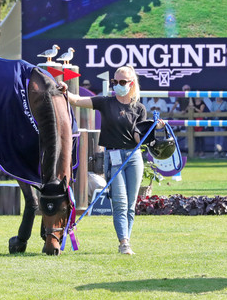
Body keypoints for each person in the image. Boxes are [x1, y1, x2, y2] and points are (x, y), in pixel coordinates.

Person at [59, 65, 164, 255]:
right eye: (115, 82)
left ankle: (127, 239)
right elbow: (77, 100)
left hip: (133, 158)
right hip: (112, 156)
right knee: (120, 202)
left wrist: (154, 129)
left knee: (131, 204)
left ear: (131, 84)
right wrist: (66, 91)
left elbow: (137, 138)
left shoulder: (139, 108)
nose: (118, 85)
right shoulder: (105, 102)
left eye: (122, 82)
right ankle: (124, 242)